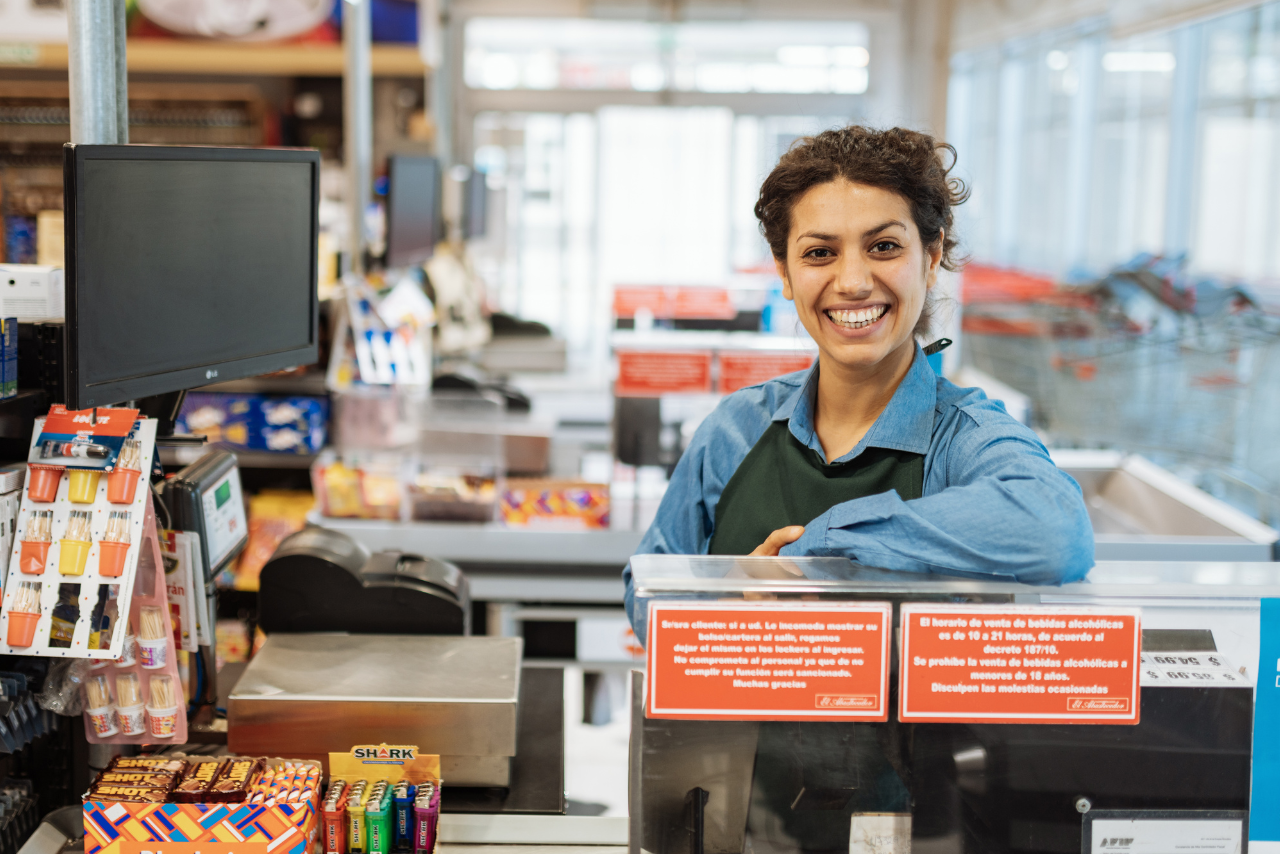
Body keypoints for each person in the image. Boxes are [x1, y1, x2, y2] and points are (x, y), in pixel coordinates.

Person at [623, 125, 1094, 641]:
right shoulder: (737, 427)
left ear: (931, 258)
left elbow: (1056, 531)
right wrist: (730, 599)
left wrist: (820, 547)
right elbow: (647, 593)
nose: (852, 282)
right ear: (784, 271)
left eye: (884, 246)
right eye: (819, 253)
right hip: (743, 723)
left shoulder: (963, 439)